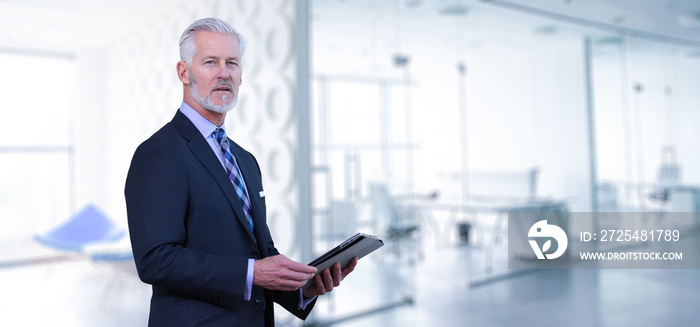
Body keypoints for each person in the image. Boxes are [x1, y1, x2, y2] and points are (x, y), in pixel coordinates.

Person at [125, 17, 357, 327]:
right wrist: (251, 273)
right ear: (184, 72)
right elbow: (156, 260)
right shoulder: (159, 153)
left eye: (232, 63)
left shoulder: (245, 160)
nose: (224, 73)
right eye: (211, 62)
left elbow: (261, 254)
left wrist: (303, 288)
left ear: (241, 75)